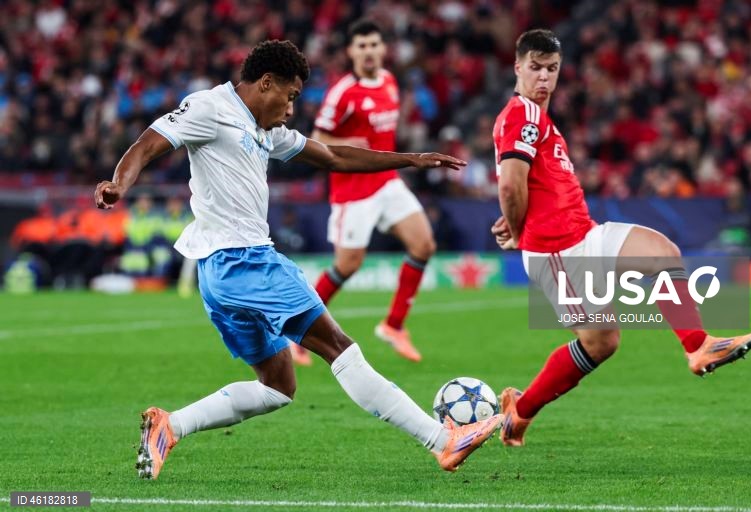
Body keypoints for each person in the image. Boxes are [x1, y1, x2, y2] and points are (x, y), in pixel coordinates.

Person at [93, 40, 502, 480]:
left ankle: (169, 426)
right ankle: (444, 440)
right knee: (339, 348)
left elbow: (333, 155)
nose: (290, 109)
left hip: (219, 274)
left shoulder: (267, 131)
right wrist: (119, 184)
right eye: (288, 97)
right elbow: (149, 143)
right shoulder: (210, 107)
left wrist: (408, 160)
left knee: (278, 385)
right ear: (266, 83)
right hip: (243, 260)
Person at [490, 29, 751, 448]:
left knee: (662, 254)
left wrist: (515, 221)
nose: (544, 77)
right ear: (518, 67)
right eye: (536, 68)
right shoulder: (521, 114)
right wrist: (519, 226)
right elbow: (510, 185)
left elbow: (526, 185)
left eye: (552, 69)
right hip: (557, 249)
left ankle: (698, 346)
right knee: (600, 342)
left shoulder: (538, 117)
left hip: (584, 232)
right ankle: (519, 415)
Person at [297, 20, 436, 365]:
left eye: (374, 44)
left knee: (423, 244)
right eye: (361, 46)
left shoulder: (389, 81)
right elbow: (316, 138)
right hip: (353, 190)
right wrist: (347, 142)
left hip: (386, 181)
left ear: (382, 48)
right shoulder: (343, 91)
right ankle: (298, 332)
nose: (369, 51)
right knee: (347, 265)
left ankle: (393, 325)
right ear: (351, 51)